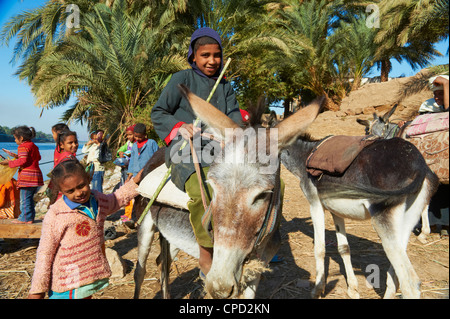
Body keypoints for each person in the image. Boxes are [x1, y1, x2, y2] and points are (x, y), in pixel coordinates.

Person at [151, 27, 243, 276]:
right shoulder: (180, 79)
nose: (212, 61)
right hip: (185, 148)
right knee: (200, 187)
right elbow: (159, 112)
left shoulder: (225, 85)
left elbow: (234, 114)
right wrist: (180, 127)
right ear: (193, 56)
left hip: (219, 147)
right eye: (205, 55)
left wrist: (235, 131)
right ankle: (207, 250)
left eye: (216, 55)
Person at [27, 159, 145, 299]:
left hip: (89, 275)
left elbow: (115, 200)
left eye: (81, 186)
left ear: (88, 178)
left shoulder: (97, 199)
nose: (78, 193)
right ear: (60, 191)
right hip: (68, 280)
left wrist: (134, 183)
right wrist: (37, 290)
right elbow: (45, 253)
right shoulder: (56, 215)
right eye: (70, 191)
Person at [0, 126, 44, 224]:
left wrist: (8, 163)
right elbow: (37, 157)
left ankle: (24, 218)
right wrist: (16, 156)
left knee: (24, 199)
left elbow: (23, 161)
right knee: (30, 199)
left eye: (15, 138)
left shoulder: (22, 146)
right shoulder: (33, 145)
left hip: (27, 178)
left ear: (21, 138)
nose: (15, 140)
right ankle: (30, 218)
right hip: (36, 177)